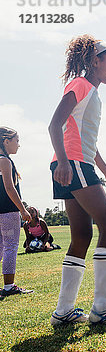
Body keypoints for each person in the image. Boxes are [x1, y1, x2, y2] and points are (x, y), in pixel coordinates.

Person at [48, 35, 106, 324]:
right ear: (95, 61)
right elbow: (54, 124)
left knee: (83, 236)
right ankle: (102, 308)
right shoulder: (81, 85)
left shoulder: (91, 93)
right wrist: (64, 162)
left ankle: (64, 312)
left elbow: (88, 142)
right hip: (72, 164)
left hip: (75, 162)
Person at [0, 127, 33, 299]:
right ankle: (9, 286)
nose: (18, 145)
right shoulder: (4, 161)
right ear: (6, 141)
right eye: (16, 140)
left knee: (0, 248)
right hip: (8, 211)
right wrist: (23, 209)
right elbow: (10, 188)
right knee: (11, 246)